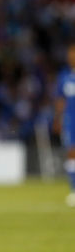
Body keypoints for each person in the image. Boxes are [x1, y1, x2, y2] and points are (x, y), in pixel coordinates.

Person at [54, 43, 75, 207]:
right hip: (71, 121)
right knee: (71, 153)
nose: (72, 57)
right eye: (70, 54)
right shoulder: (64, 76)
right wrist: (57, 119)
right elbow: (60, 100)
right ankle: (74, 190)